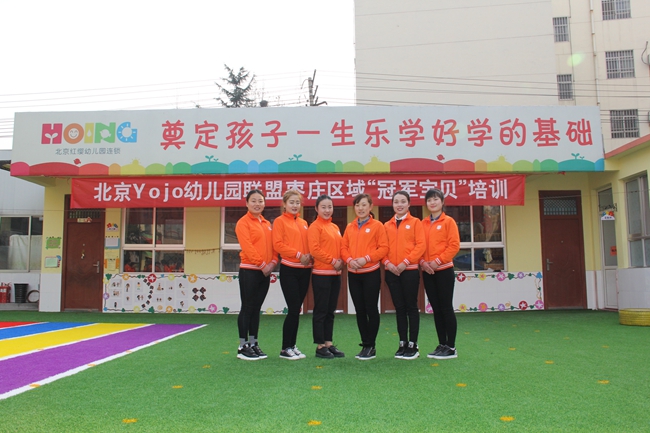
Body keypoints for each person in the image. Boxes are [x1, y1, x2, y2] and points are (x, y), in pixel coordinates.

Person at [341, 194, 389, 360]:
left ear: (370, 207)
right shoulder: (350, 227)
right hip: (353, 274)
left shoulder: (377, 226)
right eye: (357, 205)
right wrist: (349, 260)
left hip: (371, 273)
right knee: (359, 310)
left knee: (371, 309)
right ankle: (364, 344)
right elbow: (343, 247)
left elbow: (383, 248)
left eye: (363, 205)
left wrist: (366, 259)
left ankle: (371, 345)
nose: (360, 208)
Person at [235, 189, 278, 361]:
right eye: (253, 201)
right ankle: (242, 345)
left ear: (264, 204)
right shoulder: (243, 223)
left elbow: (274, 247)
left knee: (256, 308)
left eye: (260, 201)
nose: (257, 204)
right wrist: (262, 265)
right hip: (250, 270)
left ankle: (253, 343)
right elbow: (248, 247)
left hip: (265, 272)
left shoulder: (266, 223)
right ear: (246, 203)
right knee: (247, 307)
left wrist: (273, 262)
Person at [383, 190, 426, 360]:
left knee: (411, 307)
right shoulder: (387, 225)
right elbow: (382, 248)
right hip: (391, 272)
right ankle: (402, 342)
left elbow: (420, 246)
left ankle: (413, 344)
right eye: (396, 202)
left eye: (402, 201)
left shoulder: (415, 223)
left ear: (409, 204)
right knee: (399, 308)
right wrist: (388, 264)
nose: (399, 205)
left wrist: (405, 262)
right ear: (392, 205)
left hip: (409, 271)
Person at [420, 188, 461, 360]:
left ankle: (451, 347)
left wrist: (438, 261)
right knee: (436, 309)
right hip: (428, 271)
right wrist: (423, 262)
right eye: (429, 200)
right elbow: (419, 246)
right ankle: (442, 344)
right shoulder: (422, 223)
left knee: (446, 307)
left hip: (444, 270)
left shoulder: (448, 222)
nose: (432, 202)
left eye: (436, 199)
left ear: (442, 202)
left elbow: (454, 245)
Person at [273, 190, 312, 360]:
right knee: (294, 308)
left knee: (297, 309)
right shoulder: (279, 221)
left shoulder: (304, 223)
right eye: (291, 202)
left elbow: (309, 243)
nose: (295, 205)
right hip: (289, 269)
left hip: (305, 270)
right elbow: (278, 244)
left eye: (297, 202)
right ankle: (285, 348)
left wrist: (309, 255)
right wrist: (298, 255)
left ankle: (292, 345)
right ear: (284, 204)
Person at [307, 195, 345, 359]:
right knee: (321, 310)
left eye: (330, 207)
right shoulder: (315, 227)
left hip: (335, 274)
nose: (327, 210)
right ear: (316, 209)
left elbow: (341, 247)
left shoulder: (334, 227)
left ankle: (328, 343)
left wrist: (342, 260)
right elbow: (314, 250)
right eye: (323, 207)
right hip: (321, 274)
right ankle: (320, 345)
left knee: (330, 310)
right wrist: (332, 261)